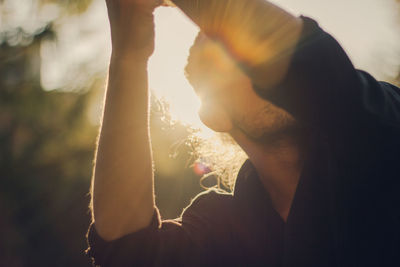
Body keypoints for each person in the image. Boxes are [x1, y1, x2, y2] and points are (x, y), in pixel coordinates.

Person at [86, 0, 400, 266]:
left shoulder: (378, 126)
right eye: (236, 62)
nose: (264, 65)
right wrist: (128, 56)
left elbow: (314, 69)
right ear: (214, 114)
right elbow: (127, 248)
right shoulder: (222, 225)